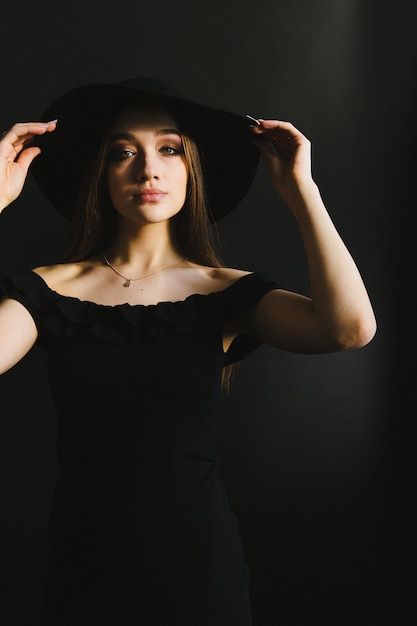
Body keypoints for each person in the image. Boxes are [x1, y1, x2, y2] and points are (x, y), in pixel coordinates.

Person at [0, 76, 376, 626]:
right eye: (122, 152)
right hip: (83, 571)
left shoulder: (224, 292)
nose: (147, 168)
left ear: (191, 167)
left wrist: (302, 192)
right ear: (100, 174)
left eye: (169, 149)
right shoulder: (48, 290)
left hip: (198, 573)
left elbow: (349, 330)